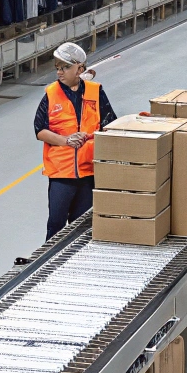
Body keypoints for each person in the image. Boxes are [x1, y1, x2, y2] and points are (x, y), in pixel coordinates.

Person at [35, 42, 117, 240]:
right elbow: (40, 130)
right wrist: (65, 140)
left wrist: (89, 136)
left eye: (65, 67)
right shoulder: (51, 94)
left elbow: (110, 125)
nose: (60, 72)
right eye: (57, 68)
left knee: (82, 227)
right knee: (55, 224)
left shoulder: (95, 92)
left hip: (88, 172)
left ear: (80, 69)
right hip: (61, 174)